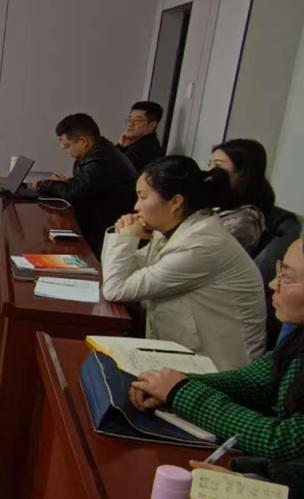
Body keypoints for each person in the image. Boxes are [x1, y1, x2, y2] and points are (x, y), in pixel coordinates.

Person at [130, 238, 304, 459]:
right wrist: (174, 383)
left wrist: (181, 393)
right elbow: (258, 379)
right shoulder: (298, 334)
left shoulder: (204, 244)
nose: (272, 284)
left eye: (286, 278)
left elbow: (281, 441)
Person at [102, 155, 265, 369]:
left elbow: (116, 288)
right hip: (183, 352)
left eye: (143, 197)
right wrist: (125, 236)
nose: (136, 206)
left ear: (175, 202)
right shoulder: (174, 229)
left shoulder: (201, 244)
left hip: (219, 368)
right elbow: (126, 272)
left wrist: (126, 238)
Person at [35, 113, 137, 253]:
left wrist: (43, 185)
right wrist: (66, 182)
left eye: (67, 145)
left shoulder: (101, 158)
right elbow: (87, 184)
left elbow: (75, 192)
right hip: (99, 222)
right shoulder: (99, 149)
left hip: (106, 231)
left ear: (83, 141)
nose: (64, 149)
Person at [209, 138, 275, 255]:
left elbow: (203, 254)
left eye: (218, 165)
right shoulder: (218, 207)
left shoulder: (245, 222)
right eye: (209, 164)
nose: (209, 173)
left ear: (243, 173)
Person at [118, 101, 164, 173]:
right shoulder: (136, 145)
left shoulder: (146, 150)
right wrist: (121, 147)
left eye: (137, 120)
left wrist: (119, 147)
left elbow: (108, 169)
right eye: (129, 119)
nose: (130, 124)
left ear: (151, 125)